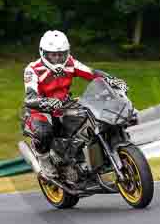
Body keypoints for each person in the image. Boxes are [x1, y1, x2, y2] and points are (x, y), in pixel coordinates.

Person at [21, 30, 128, 178]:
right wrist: (46, 102)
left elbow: (93, 73)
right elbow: (30, 98)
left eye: (61, 54)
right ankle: (44, 160)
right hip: (40, 108)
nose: (58, 58)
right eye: (53, 55)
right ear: (43, 53)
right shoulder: (32, 70)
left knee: (93, 120)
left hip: (64, 104)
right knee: (44, 132)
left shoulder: (71, 63)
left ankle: (86, 159)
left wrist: (112, 80)